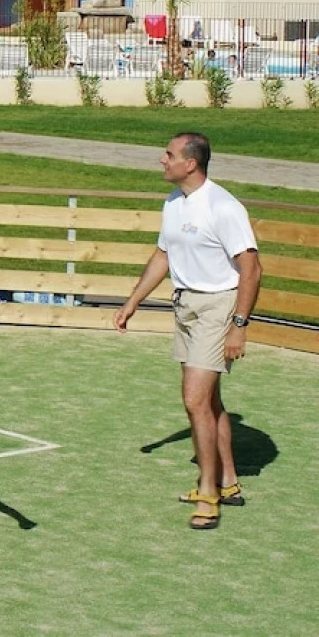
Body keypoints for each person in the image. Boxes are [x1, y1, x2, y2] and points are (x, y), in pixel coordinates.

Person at [114, 132, 261, 531]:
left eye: (169, 155)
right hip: (186, 306)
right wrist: (133, 301)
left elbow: (251, 268)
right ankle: (228, 482)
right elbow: (163, 254)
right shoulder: (174, 203)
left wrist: (239, 327)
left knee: (194, 401)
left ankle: (208, 494)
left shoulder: (222, 207)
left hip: (218, 308)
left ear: (190, 163)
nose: (162, 160)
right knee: (208, 401)